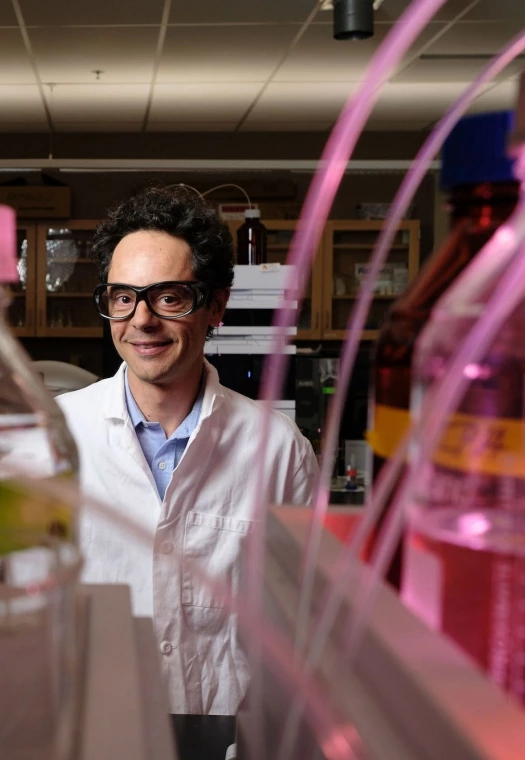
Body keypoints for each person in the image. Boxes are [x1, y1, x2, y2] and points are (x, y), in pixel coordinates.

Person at [56, 184, 318, 717]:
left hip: (230, 738)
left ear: (215, 306)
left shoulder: (279, 452)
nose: (142, 320)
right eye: (123, 297)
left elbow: (305, 624)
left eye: (169, 297)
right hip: (89, 732)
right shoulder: (54, 435)